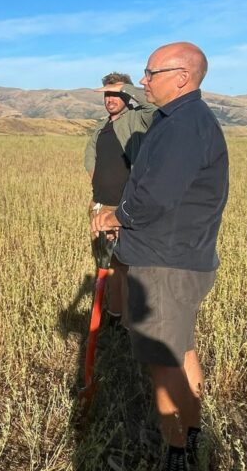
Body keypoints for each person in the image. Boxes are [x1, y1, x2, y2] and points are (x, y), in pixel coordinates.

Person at [92, 42, 228, 470]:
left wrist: (116, 215)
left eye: (152, 72)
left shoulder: (184, 126)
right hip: (179, 258)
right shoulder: (180, 120)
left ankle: (176, 454)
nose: (144, 80)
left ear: (182, 77)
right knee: (182, 351)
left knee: (163, 366)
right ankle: (190, 437)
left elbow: (154, 198)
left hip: (165, 263)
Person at [84, 72, 157, 325]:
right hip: (100, 205)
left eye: (116, 94)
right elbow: (90, 161)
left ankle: (127, 322)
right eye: (107, 94)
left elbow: (153, 106)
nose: (110, 99)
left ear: (126, 94)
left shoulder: (138, 119)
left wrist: (125, 87)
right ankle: (114, 315)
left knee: (126, 266)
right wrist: (99, 195)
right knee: (106, 264)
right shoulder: (101, 127)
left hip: (124, 208)